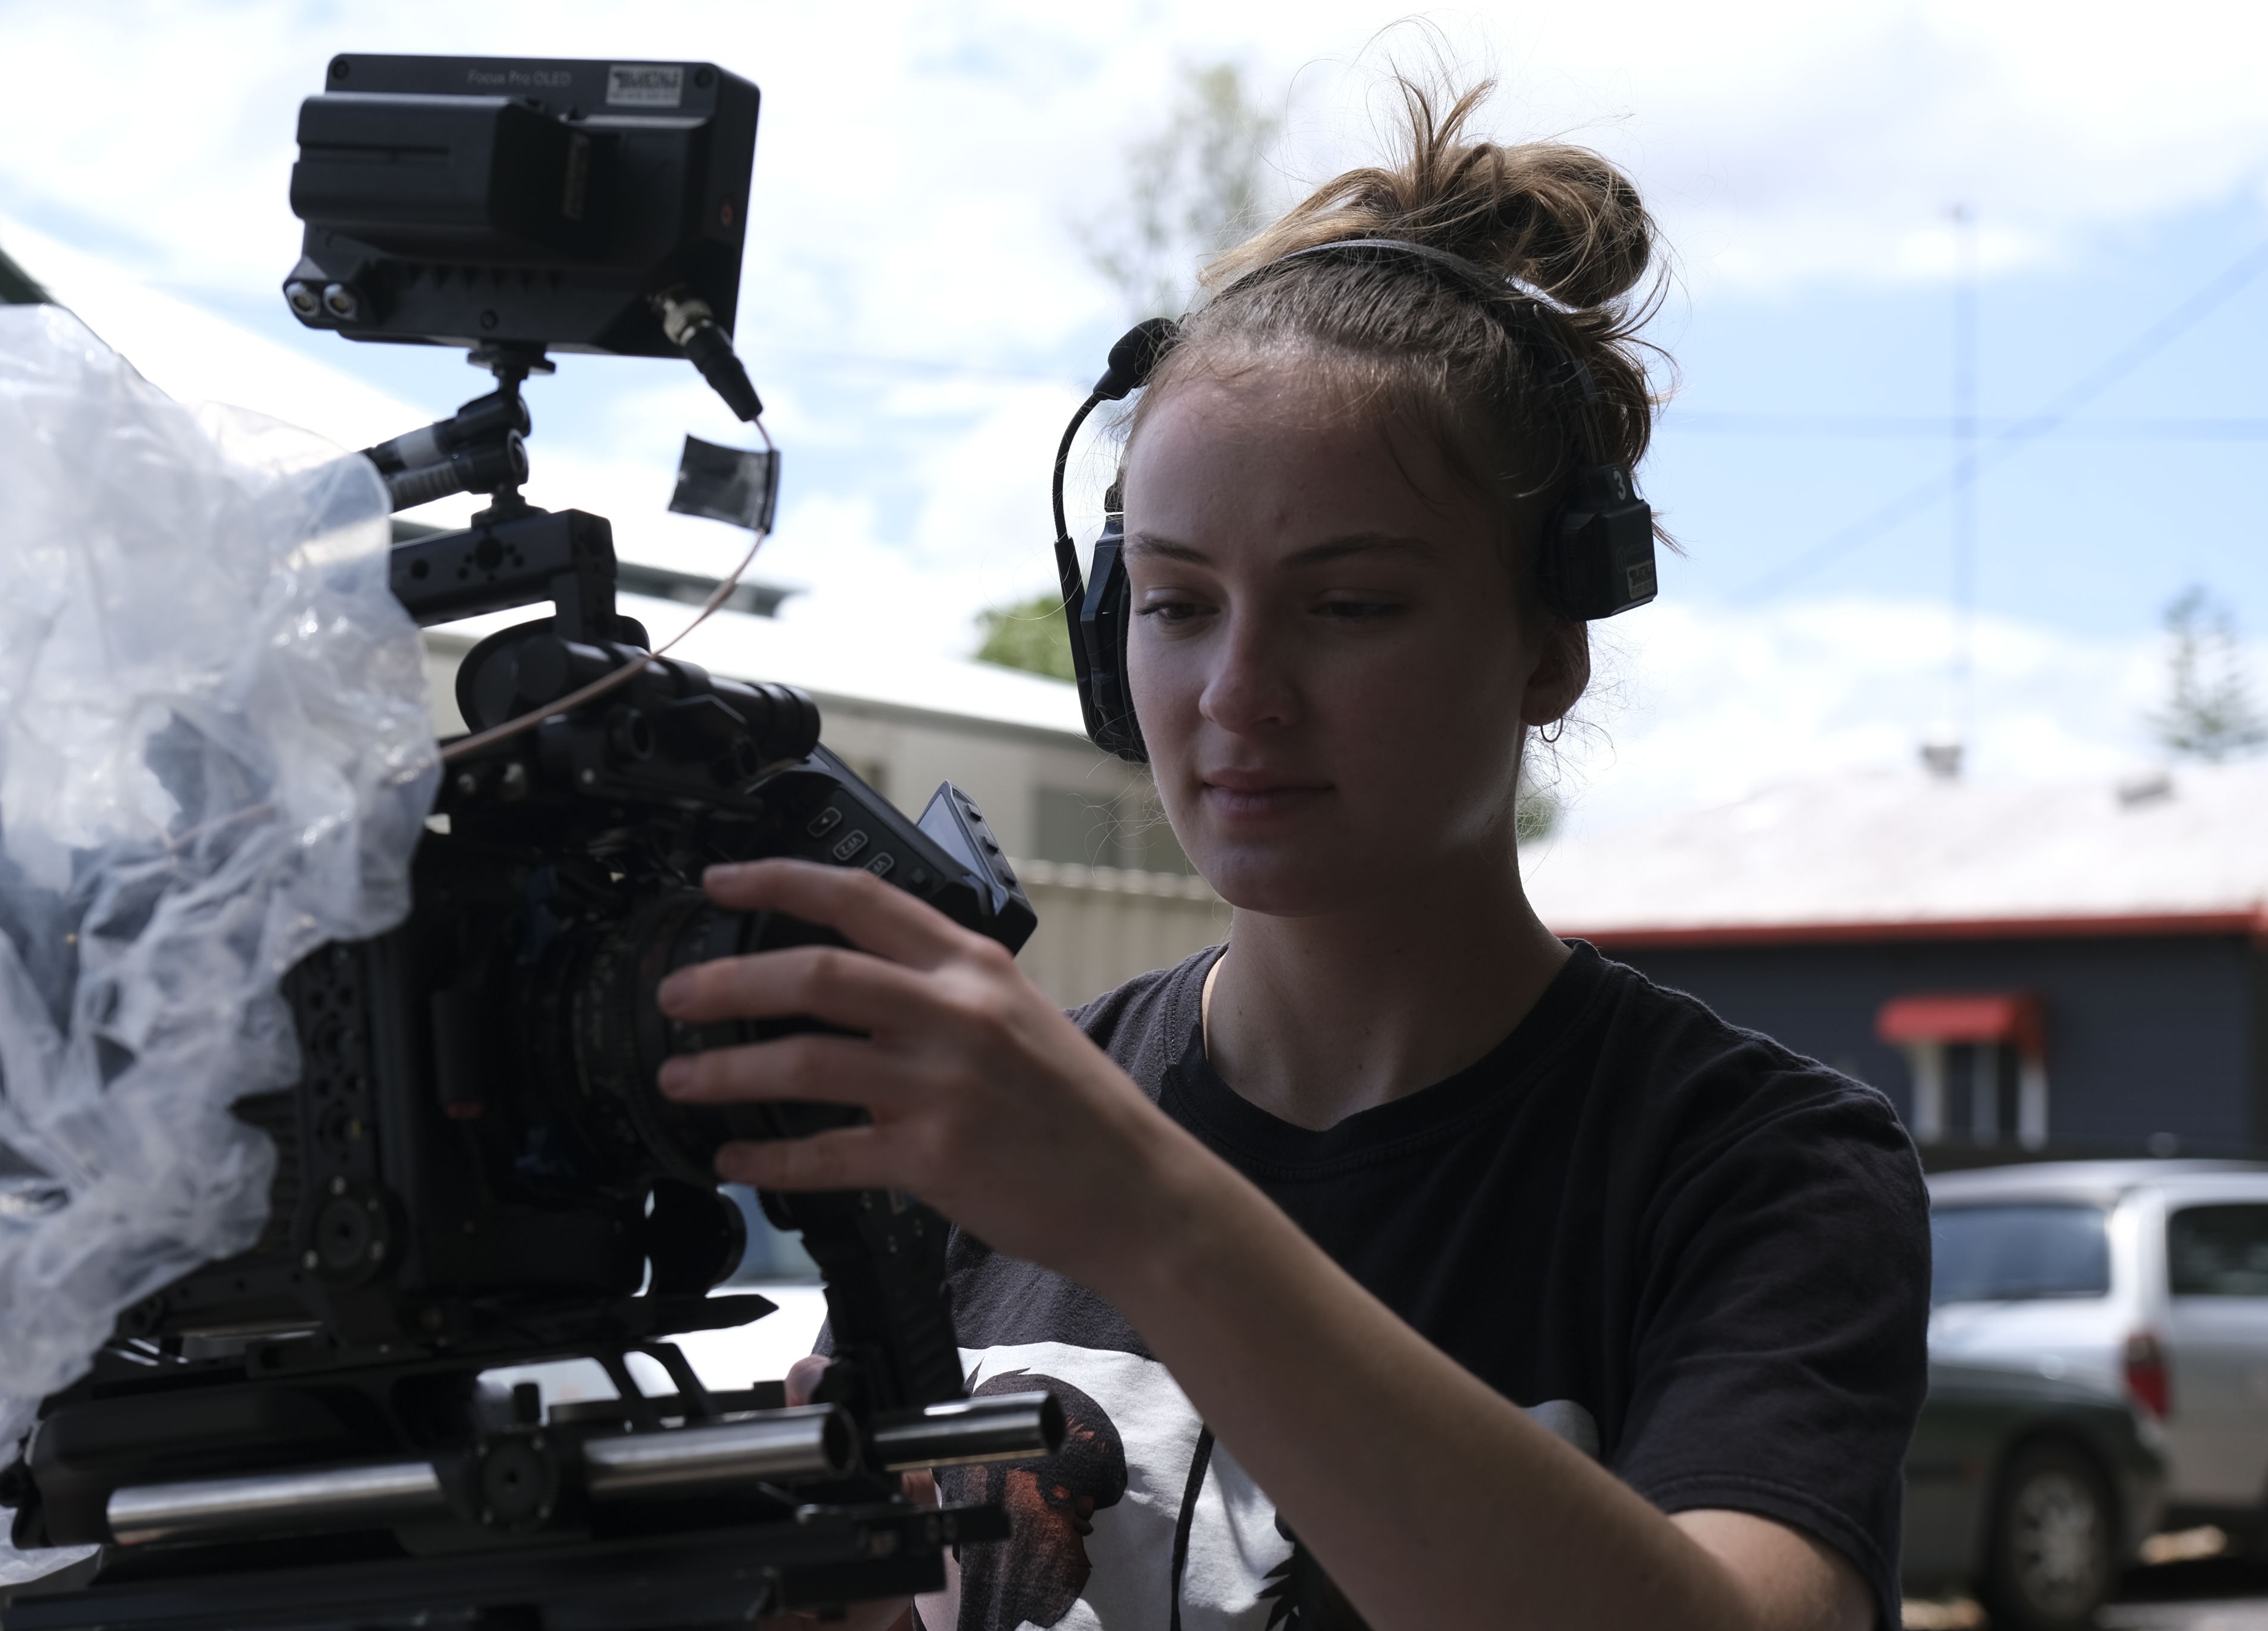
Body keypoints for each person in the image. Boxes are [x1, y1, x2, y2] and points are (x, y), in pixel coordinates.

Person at [653, 75, 1930, 1631]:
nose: (1239, 694)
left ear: (1552, 642)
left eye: (1352, 605)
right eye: (1179, 604)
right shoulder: (995, 1131)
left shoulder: (1746, 1168)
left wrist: (1154, 1216)